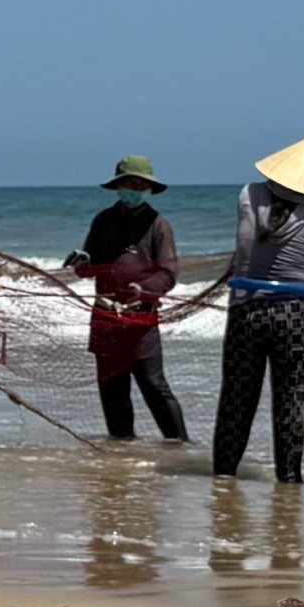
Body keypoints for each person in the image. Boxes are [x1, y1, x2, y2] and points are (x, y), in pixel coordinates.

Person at [213, 136, 304, 484]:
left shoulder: (248, 195)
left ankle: (224, 478)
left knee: (236, 399)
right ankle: (288, 482)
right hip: (293, 315)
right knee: (290, 402)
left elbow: (244, 247)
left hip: (246, 310)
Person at [65, 155, 188, 441]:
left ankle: (180, 446)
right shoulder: (103, 220)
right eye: (128, 184)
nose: (133, 190)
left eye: (139, 185)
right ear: (118, 187)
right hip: (106, 317)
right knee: (111, 389)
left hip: (140, 319)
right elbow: (87, 267)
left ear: (148, 189)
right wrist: (81, 261)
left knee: (153, 384)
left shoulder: (158, 224)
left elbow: (168, 273)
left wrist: (142, 289)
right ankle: (121, 455)